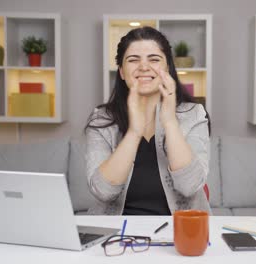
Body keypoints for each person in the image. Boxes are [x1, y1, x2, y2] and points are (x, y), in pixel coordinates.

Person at [84, 26, 210, 215]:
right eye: (133, 60)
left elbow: (189, 186)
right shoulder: (102, 119)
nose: (144, 67)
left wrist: (169, 122)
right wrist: (134, 132)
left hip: (180, 232)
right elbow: (103, 192)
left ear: (167, 67)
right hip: (116, 234)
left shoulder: (194, 114)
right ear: (121, 71)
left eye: (154, 59)